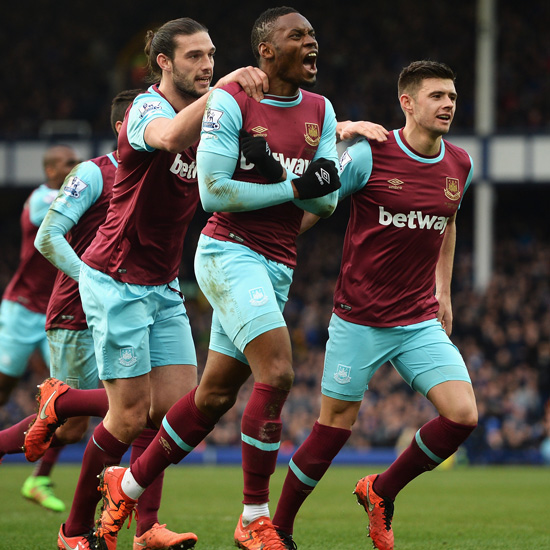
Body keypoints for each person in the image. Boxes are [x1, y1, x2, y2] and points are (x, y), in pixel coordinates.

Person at [92, 7, 386, 550]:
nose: (311, 42)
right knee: (276, 373)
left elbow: (322, 197)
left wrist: (280, 176)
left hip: (278, 263)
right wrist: (292, 187)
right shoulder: (231, 102)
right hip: (228, 252)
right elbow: (215, 194)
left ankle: (125, 486)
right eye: (298, 35)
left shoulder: (321, 109)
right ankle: (254, 517)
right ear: (267, 50)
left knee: (213, 397)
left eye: (314, 34)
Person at [56, 17, 269, 550]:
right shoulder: (146, 109)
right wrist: (226, 90)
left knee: (174, 411)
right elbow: (171, 136)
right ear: (164, 63)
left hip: (162, 282)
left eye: (212, 55)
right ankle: (73, 530)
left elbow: (269, 162)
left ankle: (146, 528)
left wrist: (338, 137)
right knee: (127, 416)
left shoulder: (217, 121)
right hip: (117, 275)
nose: (207, 65)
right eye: (194, 56)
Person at [270, 60, 479, 550]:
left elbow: (448, 223)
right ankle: (276, 528)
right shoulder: (369, 154)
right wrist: (272, 244)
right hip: (358, 318)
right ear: (407, 103)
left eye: (451, 95)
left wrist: (443, 291)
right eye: (436, 96)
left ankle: (381, 492)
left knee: (463, 415)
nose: (448, 103)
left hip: (418, 320)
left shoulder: (460, 164)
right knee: (333, 429)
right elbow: (316, 202)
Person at [0, 144, 79, 512]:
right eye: (67, 163)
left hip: (54, 311)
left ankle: (40, 478)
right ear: (50, 170)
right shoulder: (40, 199)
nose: (74, 167)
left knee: (66, 397)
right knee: (2, 388)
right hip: (20, 308)